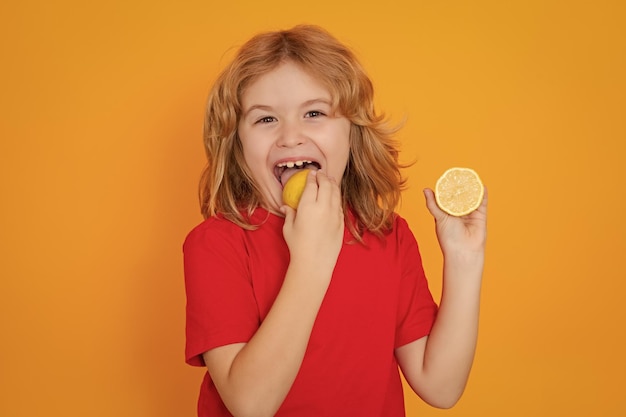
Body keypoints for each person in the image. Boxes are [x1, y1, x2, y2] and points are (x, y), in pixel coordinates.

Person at [183, 24, 488, 417]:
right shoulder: (216, 244)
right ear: (237, 146)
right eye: (265, 119)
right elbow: (250, 405)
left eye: (314, 113)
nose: (290, 137)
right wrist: (311, 259)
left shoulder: (386, 235)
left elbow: (441, 386)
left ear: (352, 135)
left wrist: (465, 261)